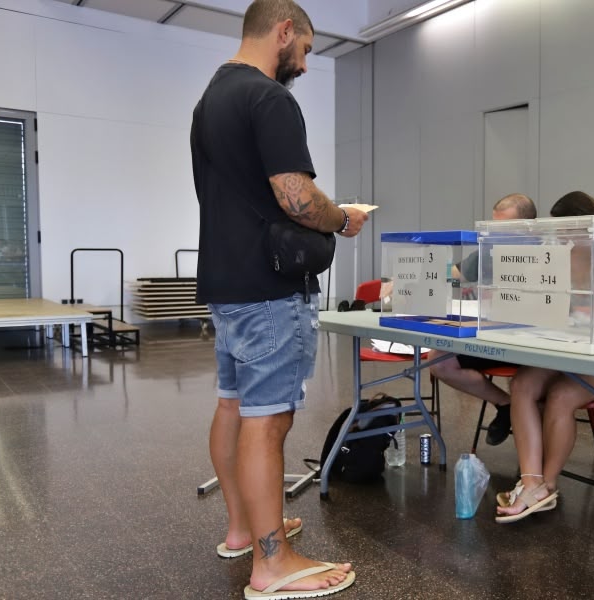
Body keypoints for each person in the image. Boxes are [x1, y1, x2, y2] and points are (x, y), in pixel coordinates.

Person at [191, 1, 367, 597]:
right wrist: (342, 218)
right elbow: (295, 197)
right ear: (284, 31)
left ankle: (243, 528)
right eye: (308, 50)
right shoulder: (269, 99)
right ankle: (272, 563)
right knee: (268, 422)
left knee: (233, 407)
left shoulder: (210, 100)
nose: (307, 65)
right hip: (268, 287)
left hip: (225, 281)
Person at [495, 191, 594, 523]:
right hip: (573, 346)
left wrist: (576, 308)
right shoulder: (570, 254)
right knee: (522, 384)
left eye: (568, 231)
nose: (564, 239)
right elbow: (555, 299)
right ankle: (530, 479)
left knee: (561, 395)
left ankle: (546, 485)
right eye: (561, 233)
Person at [429, 193, 536, 446]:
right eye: (492, 227)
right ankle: (505, 404)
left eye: (503, 229)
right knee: (439, 360)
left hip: (530, 342)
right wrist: (409, 280)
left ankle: (533, 453)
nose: (494, 236)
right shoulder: (487, 252)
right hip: (493, 335)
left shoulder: (543, 254)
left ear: (527, 228)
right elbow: (451, 274)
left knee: (531, 384)